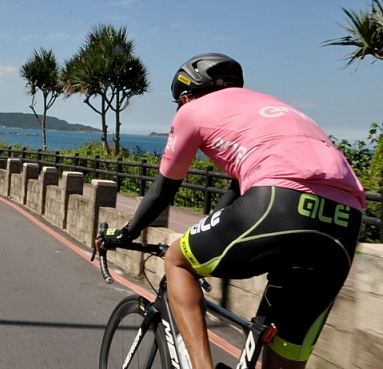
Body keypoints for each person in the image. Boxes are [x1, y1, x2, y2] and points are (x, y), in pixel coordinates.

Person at [98, 53, 364, 369]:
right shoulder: (272, 107)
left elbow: (163, 190)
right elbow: (239, 188)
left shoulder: (192, 110)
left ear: (186, 95)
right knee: (285, 358)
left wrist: (125, 233)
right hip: (345, 222)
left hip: (278, 202)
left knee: (177, 260)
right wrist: (208, 229)